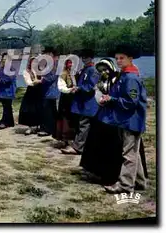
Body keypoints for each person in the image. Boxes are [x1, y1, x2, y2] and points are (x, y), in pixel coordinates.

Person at [100, 45, 148, 194]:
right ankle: (140, 182)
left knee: (128, 154)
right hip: (125, 120)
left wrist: (111, 99)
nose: (119, 61)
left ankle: (126, 185)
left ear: (130, 59)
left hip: (131, 121)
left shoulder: (131, 78)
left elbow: (130, 102)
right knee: (133, 152)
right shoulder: (125, 75)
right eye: (117, 58)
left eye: (122, 58)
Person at [61, 49, 100, 155]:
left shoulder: (93, 70)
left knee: (84, 124)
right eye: (83, 57)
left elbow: (90, 86)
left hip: (88, 101)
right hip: (81, 101)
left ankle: (78, 147)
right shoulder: (85, 69)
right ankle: (80, 144)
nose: (84, 59)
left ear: (91, 58)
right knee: (81, 123)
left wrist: (79, 88)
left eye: (86, 57)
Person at [54, 59, 78, 149]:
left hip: (73, 98)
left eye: (72, 63)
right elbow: (61, 87)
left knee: (72, 117)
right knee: (65, 117)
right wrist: (69, 90)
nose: (71, 65)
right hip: (66, 98)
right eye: (69, 63)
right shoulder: (63, 74)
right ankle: (65, 139)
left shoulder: (74, 73)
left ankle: (72, 138)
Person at [38, 47, 59, 137]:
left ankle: (49, 129)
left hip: (52, 91)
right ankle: (48, 128)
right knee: (46, 110)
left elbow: (52, 78)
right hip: (45, 91)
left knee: (49, 111)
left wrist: (42, 79)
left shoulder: (55, 65)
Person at [18, 57, 43, 135]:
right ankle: (30, 127)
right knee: (30, 110)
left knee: (39, 108)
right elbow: (28, 82)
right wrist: (38, 81)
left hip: (39, 91)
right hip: (31, 91)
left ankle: (39, 126)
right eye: (33, 62)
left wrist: (39, 81)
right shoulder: (26, 71)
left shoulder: (40, 71)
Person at [0, 54, 17, 130]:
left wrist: (0, 80)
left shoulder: (11, 69)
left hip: (9, 91)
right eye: (3, 59)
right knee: (6, 107)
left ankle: (5, 122)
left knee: (7, 107)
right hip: (2, 90)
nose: (5, 60)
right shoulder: (1, 69)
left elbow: (9, 79)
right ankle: (10, 122)